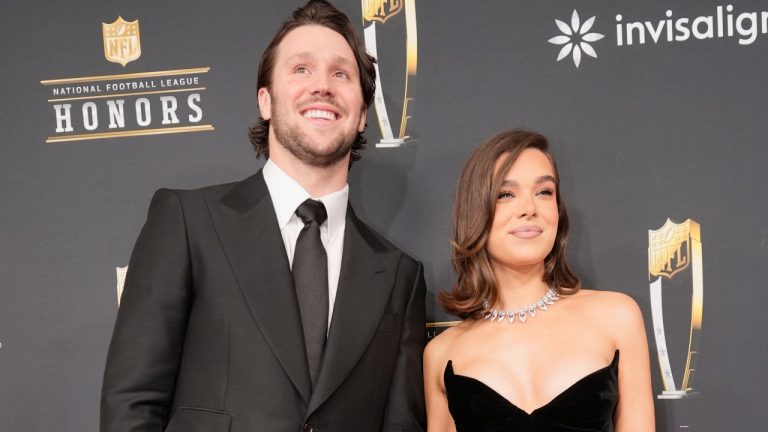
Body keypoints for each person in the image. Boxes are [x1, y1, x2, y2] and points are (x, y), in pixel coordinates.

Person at [100, 1, 426, 431]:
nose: (323, 86)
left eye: (341, 74)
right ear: (266, 100)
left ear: (364, 114)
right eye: (301, 69)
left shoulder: (400, 275)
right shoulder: (188, 222)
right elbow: (132, 404)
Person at [423, 129, 654, 431]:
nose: (529, 208)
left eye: (544, 192)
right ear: (475, 212)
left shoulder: (616, 316)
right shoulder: (443, 353)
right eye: (505, 194)